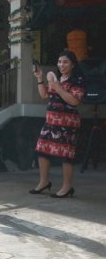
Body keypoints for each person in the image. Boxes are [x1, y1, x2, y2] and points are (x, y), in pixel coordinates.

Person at [31, 50, 85, 198]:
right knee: (42, 151)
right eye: (60, 62)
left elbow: (74, 101)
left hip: (67, 123)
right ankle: (44, 182)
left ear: (73, 64)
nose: (61, 65)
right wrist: (40, 78)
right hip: (51, 121)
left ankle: (67, 187)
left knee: (66, 155)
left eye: (65, 62)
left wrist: (58, 87)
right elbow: (44, 95)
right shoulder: (58, 79)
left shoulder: (77, 81)